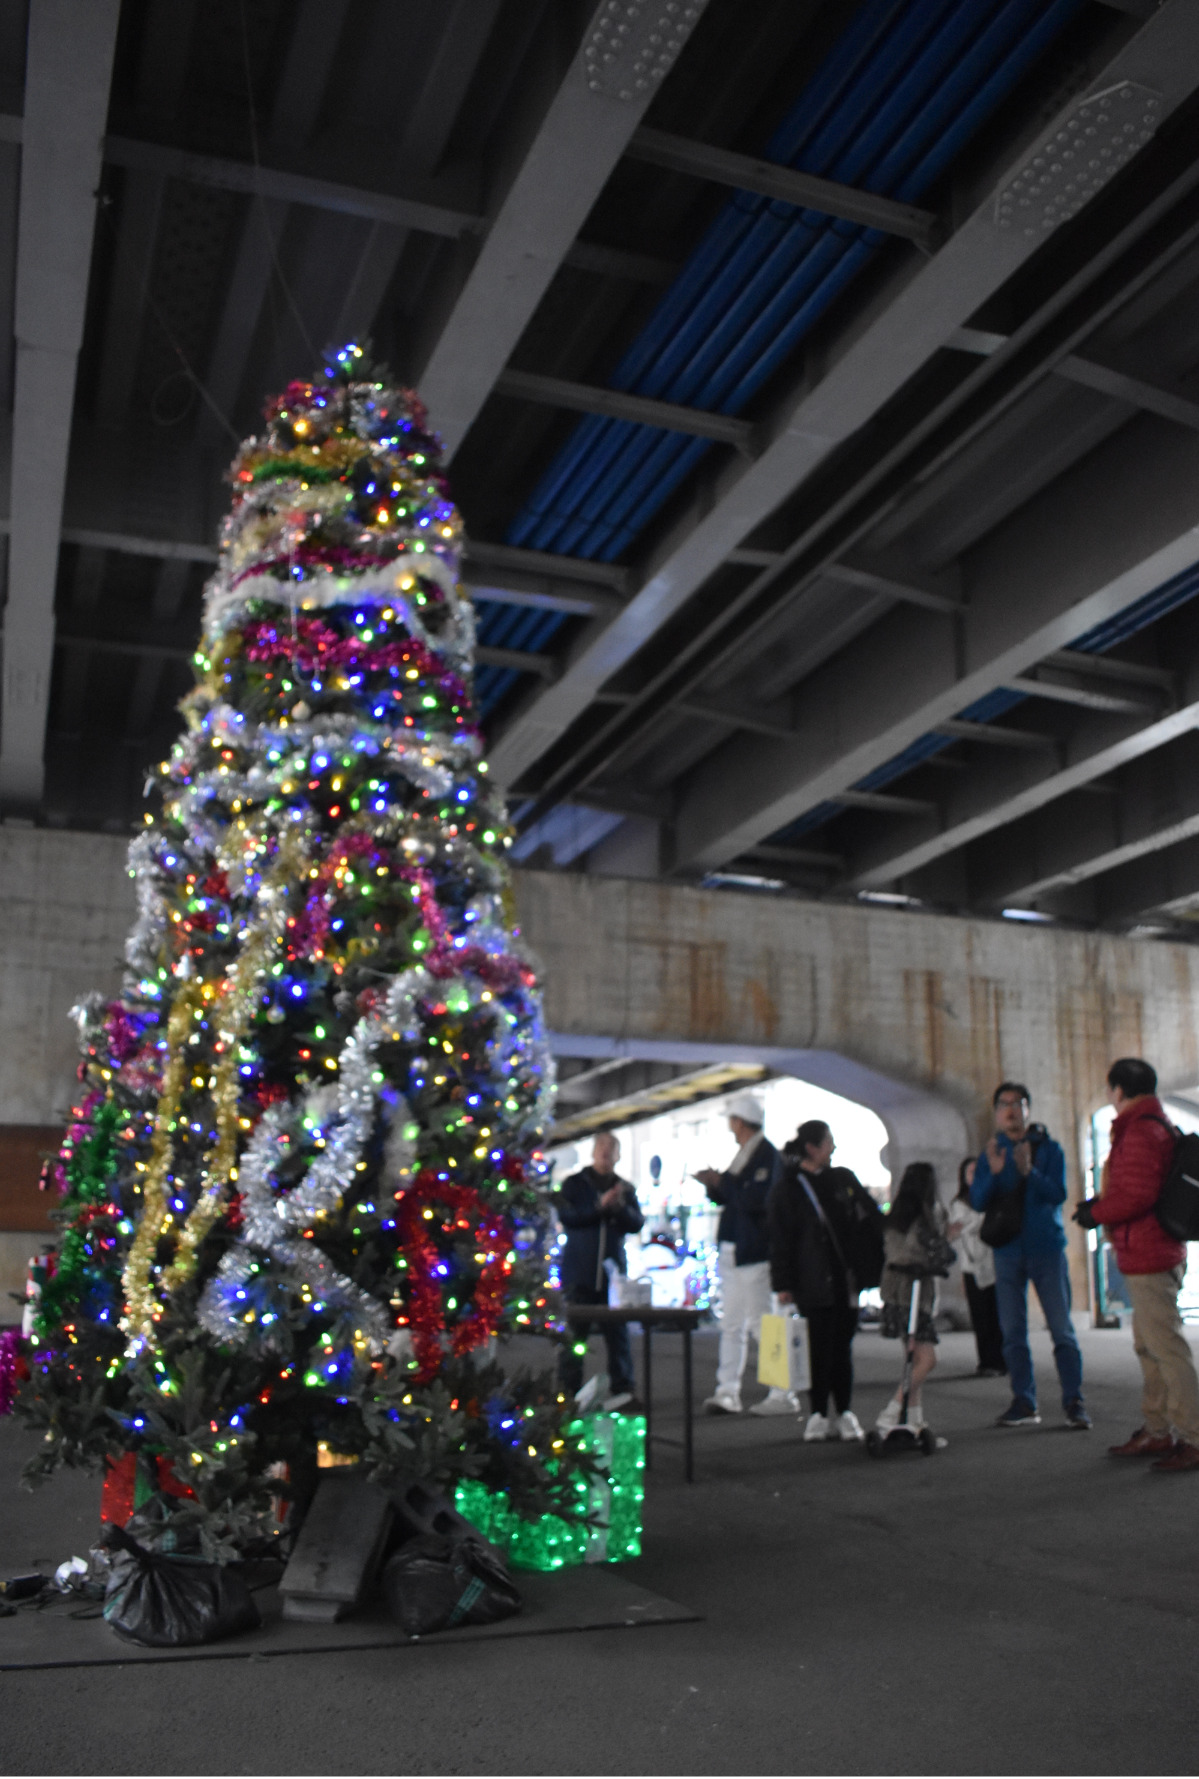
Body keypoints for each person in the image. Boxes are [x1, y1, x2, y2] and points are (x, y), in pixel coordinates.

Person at [1075, 1057, 1199, 1472]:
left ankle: (1194, 1437)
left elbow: (1137, 1195)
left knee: (1166, 1349)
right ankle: (1158, 1429)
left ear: (1117, 1090)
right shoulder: (1147, 1126)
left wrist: (1098, 1213)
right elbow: (1136, 1188)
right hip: (1148, 1250)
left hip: (1150, 1253)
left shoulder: (1142, 1131)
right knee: (1150, 1348)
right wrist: (1100, 1207)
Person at [970, 1082, 1089, 1430]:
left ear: (1028, 1110)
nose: (1011, 1111)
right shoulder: (991, 1153)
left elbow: (1058, 1195)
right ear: (996, 1113)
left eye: (1018, 1104)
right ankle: (1024, 1401)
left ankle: (1075, 1401)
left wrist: (1029, 1172)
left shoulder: (1049, 1149)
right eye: (1004, 1105)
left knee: (1061, 1329)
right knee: (1012, 1332)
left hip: (1046, 1250)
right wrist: (992, 1174)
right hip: (1006, 1252)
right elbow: (977, 1202)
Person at [768, 1118, 883, 1442]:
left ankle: (843, 1411)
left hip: (845, 1279)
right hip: (811, 1279)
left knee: (842, 1347)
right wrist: (783, 1284)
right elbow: (780, 1238)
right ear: (812, 1148)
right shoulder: (788, 1188)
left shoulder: (842, 1179)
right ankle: (818, 1412)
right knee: (818, 1348)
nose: (833, 1147)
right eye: (828, 1141)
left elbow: (870, 1217)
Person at [693, 1092, 794, 1417]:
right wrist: (716, 1186)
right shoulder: (749, 1155)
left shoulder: (766, 1157)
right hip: (737, 1247)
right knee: (734, 1324)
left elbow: (755, 1200)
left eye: (732, 1120)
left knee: (760, 1324)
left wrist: (723, 1183)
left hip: (753, 1250)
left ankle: (781, 1392)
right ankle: (727, 1392)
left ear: (740, 1122)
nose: (730, 1126)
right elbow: (736, 1197)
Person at [556, 1131, 645, 1410]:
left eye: (611, 1150)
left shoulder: (625, 1189)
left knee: (617, 1336)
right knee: (573, 1337)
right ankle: (567, 1394)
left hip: (612, 1278)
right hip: (579, 1274)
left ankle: (624, 1389)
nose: (606, 1154)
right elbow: (568, 1217)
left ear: (618, 1155)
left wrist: (618, 1208)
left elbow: (637, 1223)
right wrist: (598, 1208)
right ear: (593, 1153)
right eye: (602, 1149)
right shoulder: (574, 1185)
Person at [876, 1162, 951, 1432]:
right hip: (914, 1294)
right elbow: (937, 1255)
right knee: (928, 1360)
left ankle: (915, 1420)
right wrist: (948, 1237)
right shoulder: (925, 1218)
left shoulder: (895, 1217)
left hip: (894, 1293)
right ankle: (892, 1411)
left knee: (913, 1361)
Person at [948, 1157, 1005, 1377]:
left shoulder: (992, 1196)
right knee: (981, 1315)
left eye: (976, 1171)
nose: (972, 1176)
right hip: (972, 1264)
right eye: (968, 1172)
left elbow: (967, 1225)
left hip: (995, 1260)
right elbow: (960, 1228)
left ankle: (1001, 1360)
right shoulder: (959, 1202)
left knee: (998, 1313)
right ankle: (986, 1361)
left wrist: (974, 1221)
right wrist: (983, 1218)